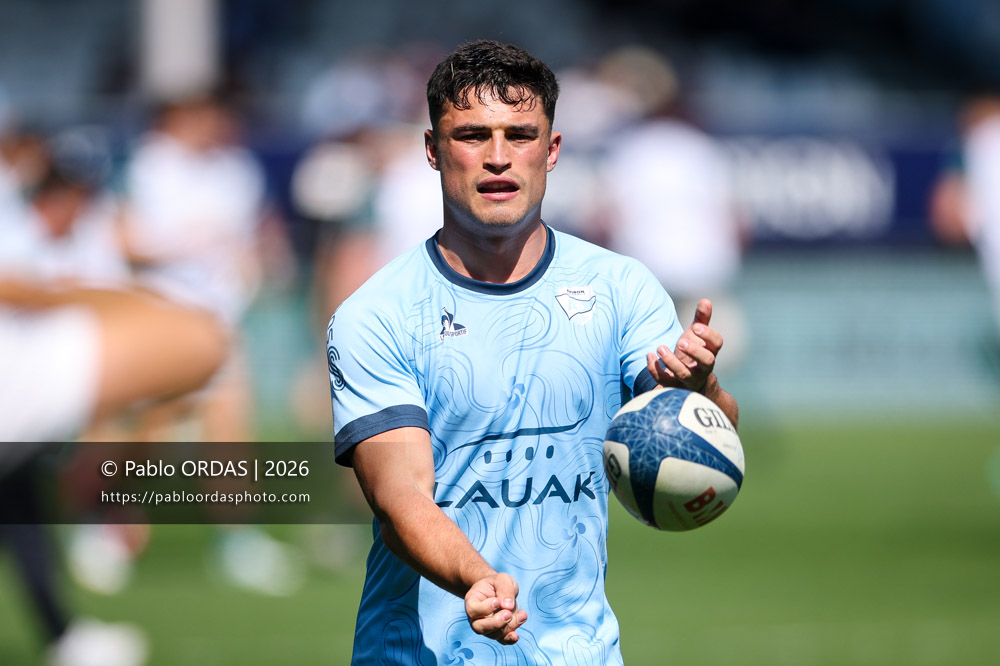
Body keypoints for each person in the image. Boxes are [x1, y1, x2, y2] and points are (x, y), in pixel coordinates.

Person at [327, 40, 739, 664]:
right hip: (420, 651)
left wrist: (699, 388)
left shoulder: (620, 287)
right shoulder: (375, 315)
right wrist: (475, 577)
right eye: (472, 135)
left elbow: (707, 437)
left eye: (520, 134)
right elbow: (399, 492)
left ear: (551, 152)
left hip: (577, 651)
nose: (497, 158)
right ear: (434, 152)